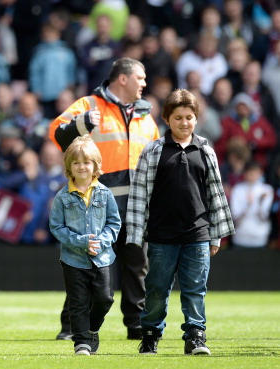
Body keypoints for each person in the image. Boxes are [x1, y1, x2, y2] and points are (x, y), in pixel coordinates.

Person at [48, 57, 160, 340]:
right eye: (141, 77)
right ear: (122, 79)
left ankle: (137, 326)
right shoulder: (89, 105)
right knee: (87, 262)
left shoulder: (145, 113)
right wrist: (80, 125)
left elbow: (157, 155)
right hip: (96, 201)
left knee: (137, 265)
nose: (145, 83)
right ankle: (72, 327)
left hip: (136, 202)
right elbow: (55, 133)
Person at [127, 89, 234, 355]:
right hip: (162, 236)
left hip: (197, 233)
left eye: (189, 117)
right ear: (167, 119)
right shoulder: (153, 151)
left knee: (195, 290)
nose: (183, 123)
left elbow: (215, 194)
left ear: (196, 119)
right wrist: (135, 235)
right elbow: (140, 195)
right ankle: (150, 335)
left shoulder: (206, 150)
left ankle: (195, 337)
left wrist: (216, 235)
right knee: (156, 289)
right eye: (178, 118)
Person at [49, 135, 121, 355]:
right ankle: (81, 342)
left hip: (102, 257)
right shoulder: (62, 197)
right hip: (73, 259)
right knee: (78, 302)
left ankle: (92, 329)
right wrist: (80, 242)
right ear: (69, 166)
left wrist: (102, 241)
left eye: (87, 162)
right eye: (76, 162)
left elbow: (114, 223)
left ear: (96, 165)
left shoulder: (105, 193)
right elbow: (57, 227)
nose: (82, 167)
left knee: (105, 299)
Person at [230, 160, 274, 248]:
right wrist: (248, 205)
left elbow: (264, 216)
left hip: (260, 239)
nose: (252, 174)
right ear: (245, 173)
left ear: (260, 173)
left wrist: (260, 203)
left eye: (255, 171)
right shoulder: (237, 189)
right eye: (250, 171)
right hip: (240, 238)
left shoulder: (267, 189)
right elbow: (235, 216)